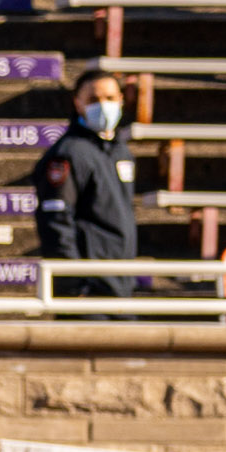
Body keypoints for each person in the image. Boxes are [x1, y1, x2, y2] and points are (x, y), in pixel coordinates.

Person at [33, 70, 137, 306]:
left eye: (110, 98)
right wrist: (72, 285)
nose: (103, 105)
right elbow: (56, 221)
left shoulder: (121, 151)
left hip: (120, 285)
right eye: (93, 100)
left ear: (121, 100)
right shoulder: (68, 154)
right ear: (77, 103)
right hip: (87, 291)